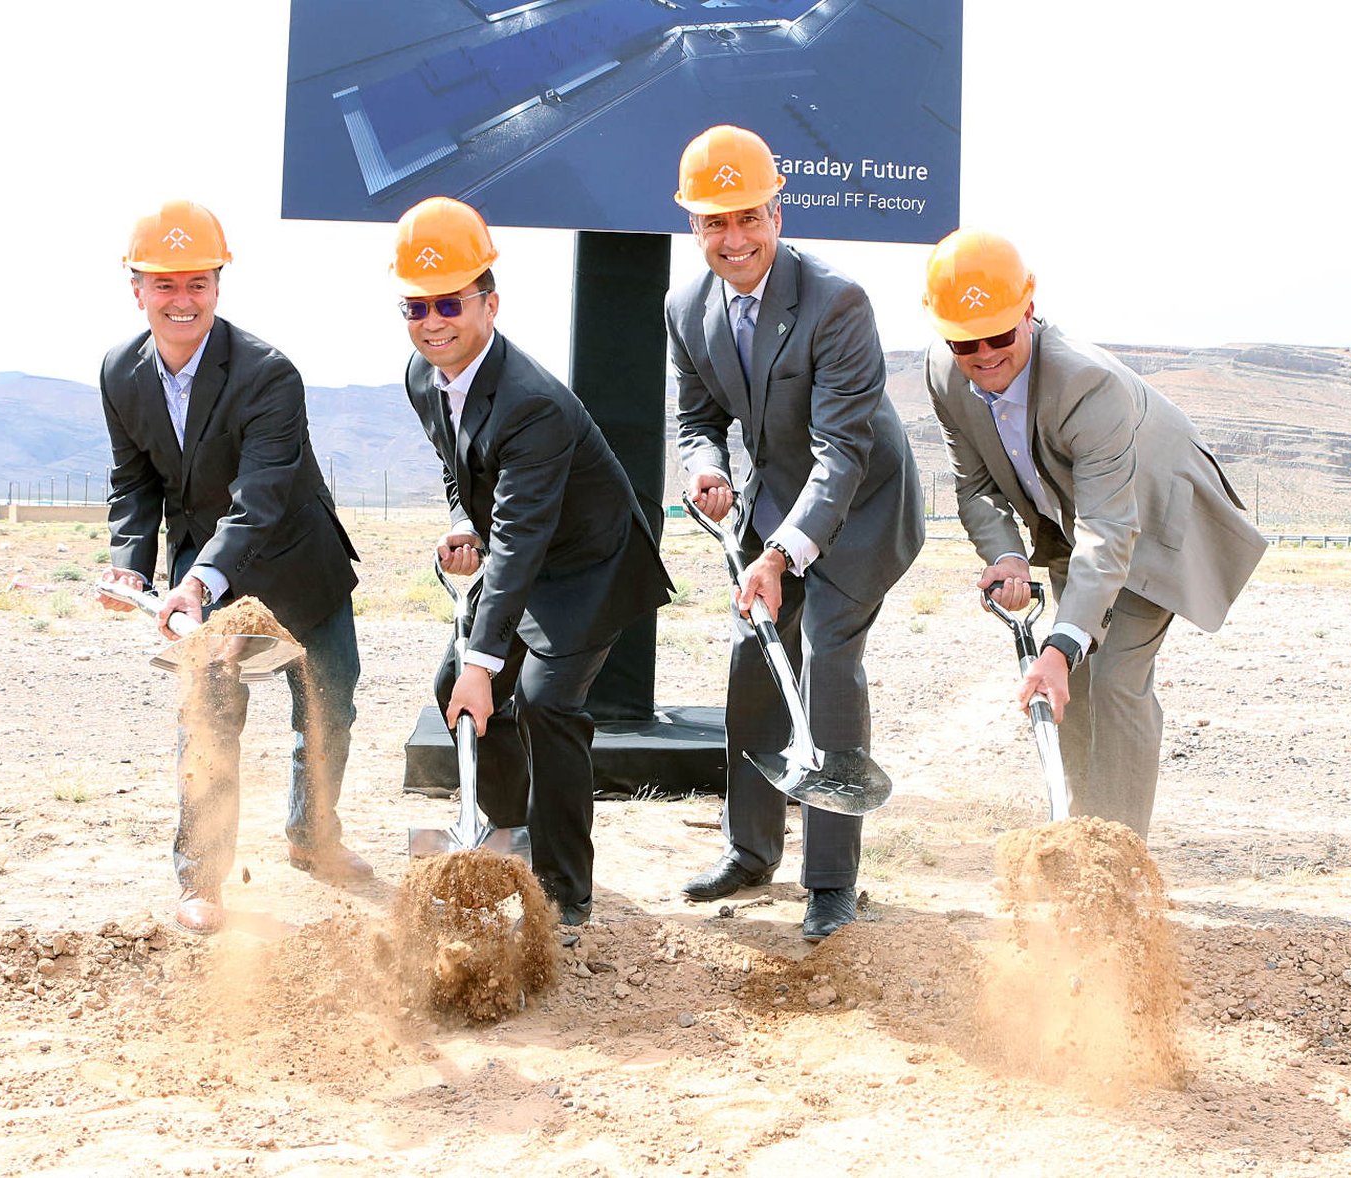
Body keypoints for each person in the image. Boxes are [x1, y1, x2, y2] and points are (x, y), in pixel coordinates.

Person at [920, 228, 1267, 839]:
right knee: (1071, 679)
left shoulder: (1087, 383)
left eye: (1000, 333)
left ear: (1028, 309)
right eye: (964, 341)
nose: (984, 354)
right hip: (1070, 528)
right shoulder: (945, 373)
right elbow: (973, 486)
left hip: (1153, 522)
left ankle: (1118, 859)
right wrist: (1007, 556)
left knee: (1112, 677)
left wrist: (1060, 646)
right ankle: (1083, 830)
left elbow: (1110, 531)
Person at [665, 125, 925, 941]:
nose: (734, 238)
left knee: (826, 658)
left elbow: (842, 450)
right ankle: (749, 850)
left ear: (777, 209)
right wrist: (704, 468)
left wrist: (781, 553)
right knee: (754, 665)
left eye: (748, 217)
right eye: (715, 222)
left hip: (861, 507)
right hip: (774, 497)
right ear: (693, 225)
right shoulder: (685, 307)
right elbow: (696, 417)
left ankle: (831, 882)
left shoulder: (835, 300)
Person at [394, 197, 673, 926]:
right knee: (456, 682)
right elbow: (463, 473)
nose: (433, 322)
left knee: (547, 703)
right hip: (524, 554)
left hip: (585, 568)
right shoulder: (423, 378)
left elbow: (520, 537)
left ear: (489, 303)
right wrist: (462, 519)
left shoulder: (532, 402)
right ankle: (505, 835)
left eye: (449, 302)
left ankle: (563, 897)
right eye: (416, 307)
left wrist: (487, 663)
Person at [95, 199, 364, 935]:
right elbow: (136, 482)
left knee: (329, 710)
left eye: (197, 284)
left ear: (218, 285)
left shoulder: (268, 374)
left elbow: (263, 498)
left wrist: (199, 580)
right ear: (137, 288)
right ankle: (203, 879)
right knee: (208, 721)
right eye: (164, 284)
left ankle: (313, 839)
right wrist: (131, 566)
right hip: (202, 577)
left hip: (297, 561)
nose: (182, 301)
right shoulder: (121, 372)